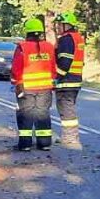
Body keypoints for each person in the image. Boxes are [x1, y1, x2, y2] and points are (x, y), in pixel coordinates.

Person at [11, 17, 55, 151]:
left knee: (26, 115)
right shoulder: (49, 47)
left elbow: (16, 68)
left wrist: (16, 84)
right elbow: (53, 67)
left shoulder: (22, 47)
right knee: (43, 114)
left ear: (27, 32)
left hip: (26, 88)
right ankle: (45, 143)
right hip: (45, 87)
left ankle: (25, 144)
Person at [53, 11, 85, 148]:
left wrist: (56, 77)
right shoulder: (77, 37)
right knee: (67, 108)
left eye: (60, 24)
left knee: (66, 109)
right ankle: (68, 137)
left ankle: (71, 139)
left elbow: (65, 61)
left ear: (67, 25)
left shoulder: (66, 39)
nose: (58, 27)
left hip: (66, 80)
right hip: (75, 79)